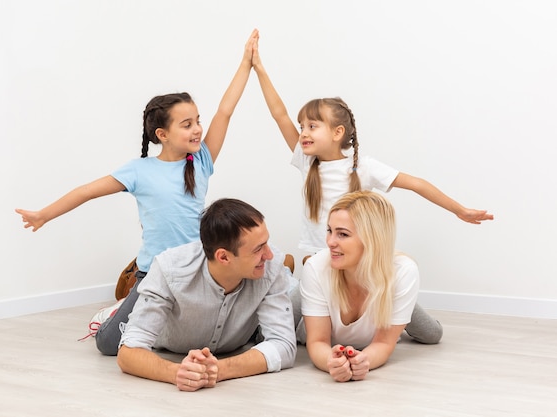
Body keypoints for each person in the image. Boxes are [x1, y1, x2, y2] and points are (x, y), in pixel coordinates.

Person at [15, 30, 259, 348]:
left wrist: (246, 64)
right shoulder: (139, 171)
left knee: (225, 335)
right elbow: (86, 191)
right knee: (107, 343)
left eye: (197, 120)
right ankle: (120, 309)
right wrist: (43, 215)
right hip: (154, 273)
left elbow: (225, 111)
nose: (198, 128)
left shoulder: (200, 161)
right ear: (162, 133)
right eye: (187, 124)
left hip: (199, 271)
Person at [251, 35, 494, 344]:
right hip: (324, 267)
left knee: (431, 335)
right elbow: (279, 114)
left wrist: (459, 209)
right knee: (282, 330)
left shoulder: (362, 167)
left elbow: (416, 183)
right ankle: (290, 285)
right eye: (302, 127)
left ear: (338, 133)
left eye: (313, 126)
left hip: (367, 271)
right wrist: (259, 68)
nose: (303, 133)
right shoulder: (306, 162)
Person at [116, 198, 297, 391]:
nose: (269, 255)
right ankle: (117, 307)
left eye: (266, 243)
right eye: (258, 249)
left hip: (236, 338)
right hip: (167, 344)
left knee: (296, 304)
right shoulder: (169, 268)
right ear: (224, 257)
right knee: (107, 343)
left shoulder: (272, 265)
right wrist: (177, 373)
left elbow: (284, 345)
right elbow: (128, 353)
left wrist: (218, 369)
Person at [301, 190, 420, 381]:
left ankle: (407, 309)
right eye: (330, 230)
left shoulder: (405, 272)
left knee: (432, 334)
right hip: (314, 295)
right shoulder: (315, 267)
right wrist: (331, 363)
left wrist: (363, 361)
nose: (330, 242)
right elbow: (317, 342)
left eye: (343, 234)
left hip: (383, 286)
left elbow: (383, 343)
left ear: (372, 240)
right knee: (287, 309)